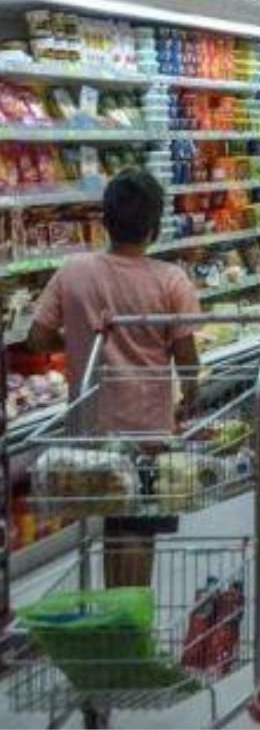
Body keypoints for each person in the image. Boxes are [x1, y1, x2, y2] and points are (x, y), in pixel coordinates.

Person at [28, 168, 201, 587]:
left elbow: (36, 338)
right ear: (155, 228)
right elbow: (186, 357)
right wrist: (191, 394)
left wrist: (78, 338)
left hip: (91, 428)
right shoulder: (171, 280)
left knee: (113, 522)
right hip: (147, 428)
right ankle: (131, 617)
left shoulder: (72, 271)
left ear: (104, 221)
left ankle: (116, 612)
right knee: (139, 524)